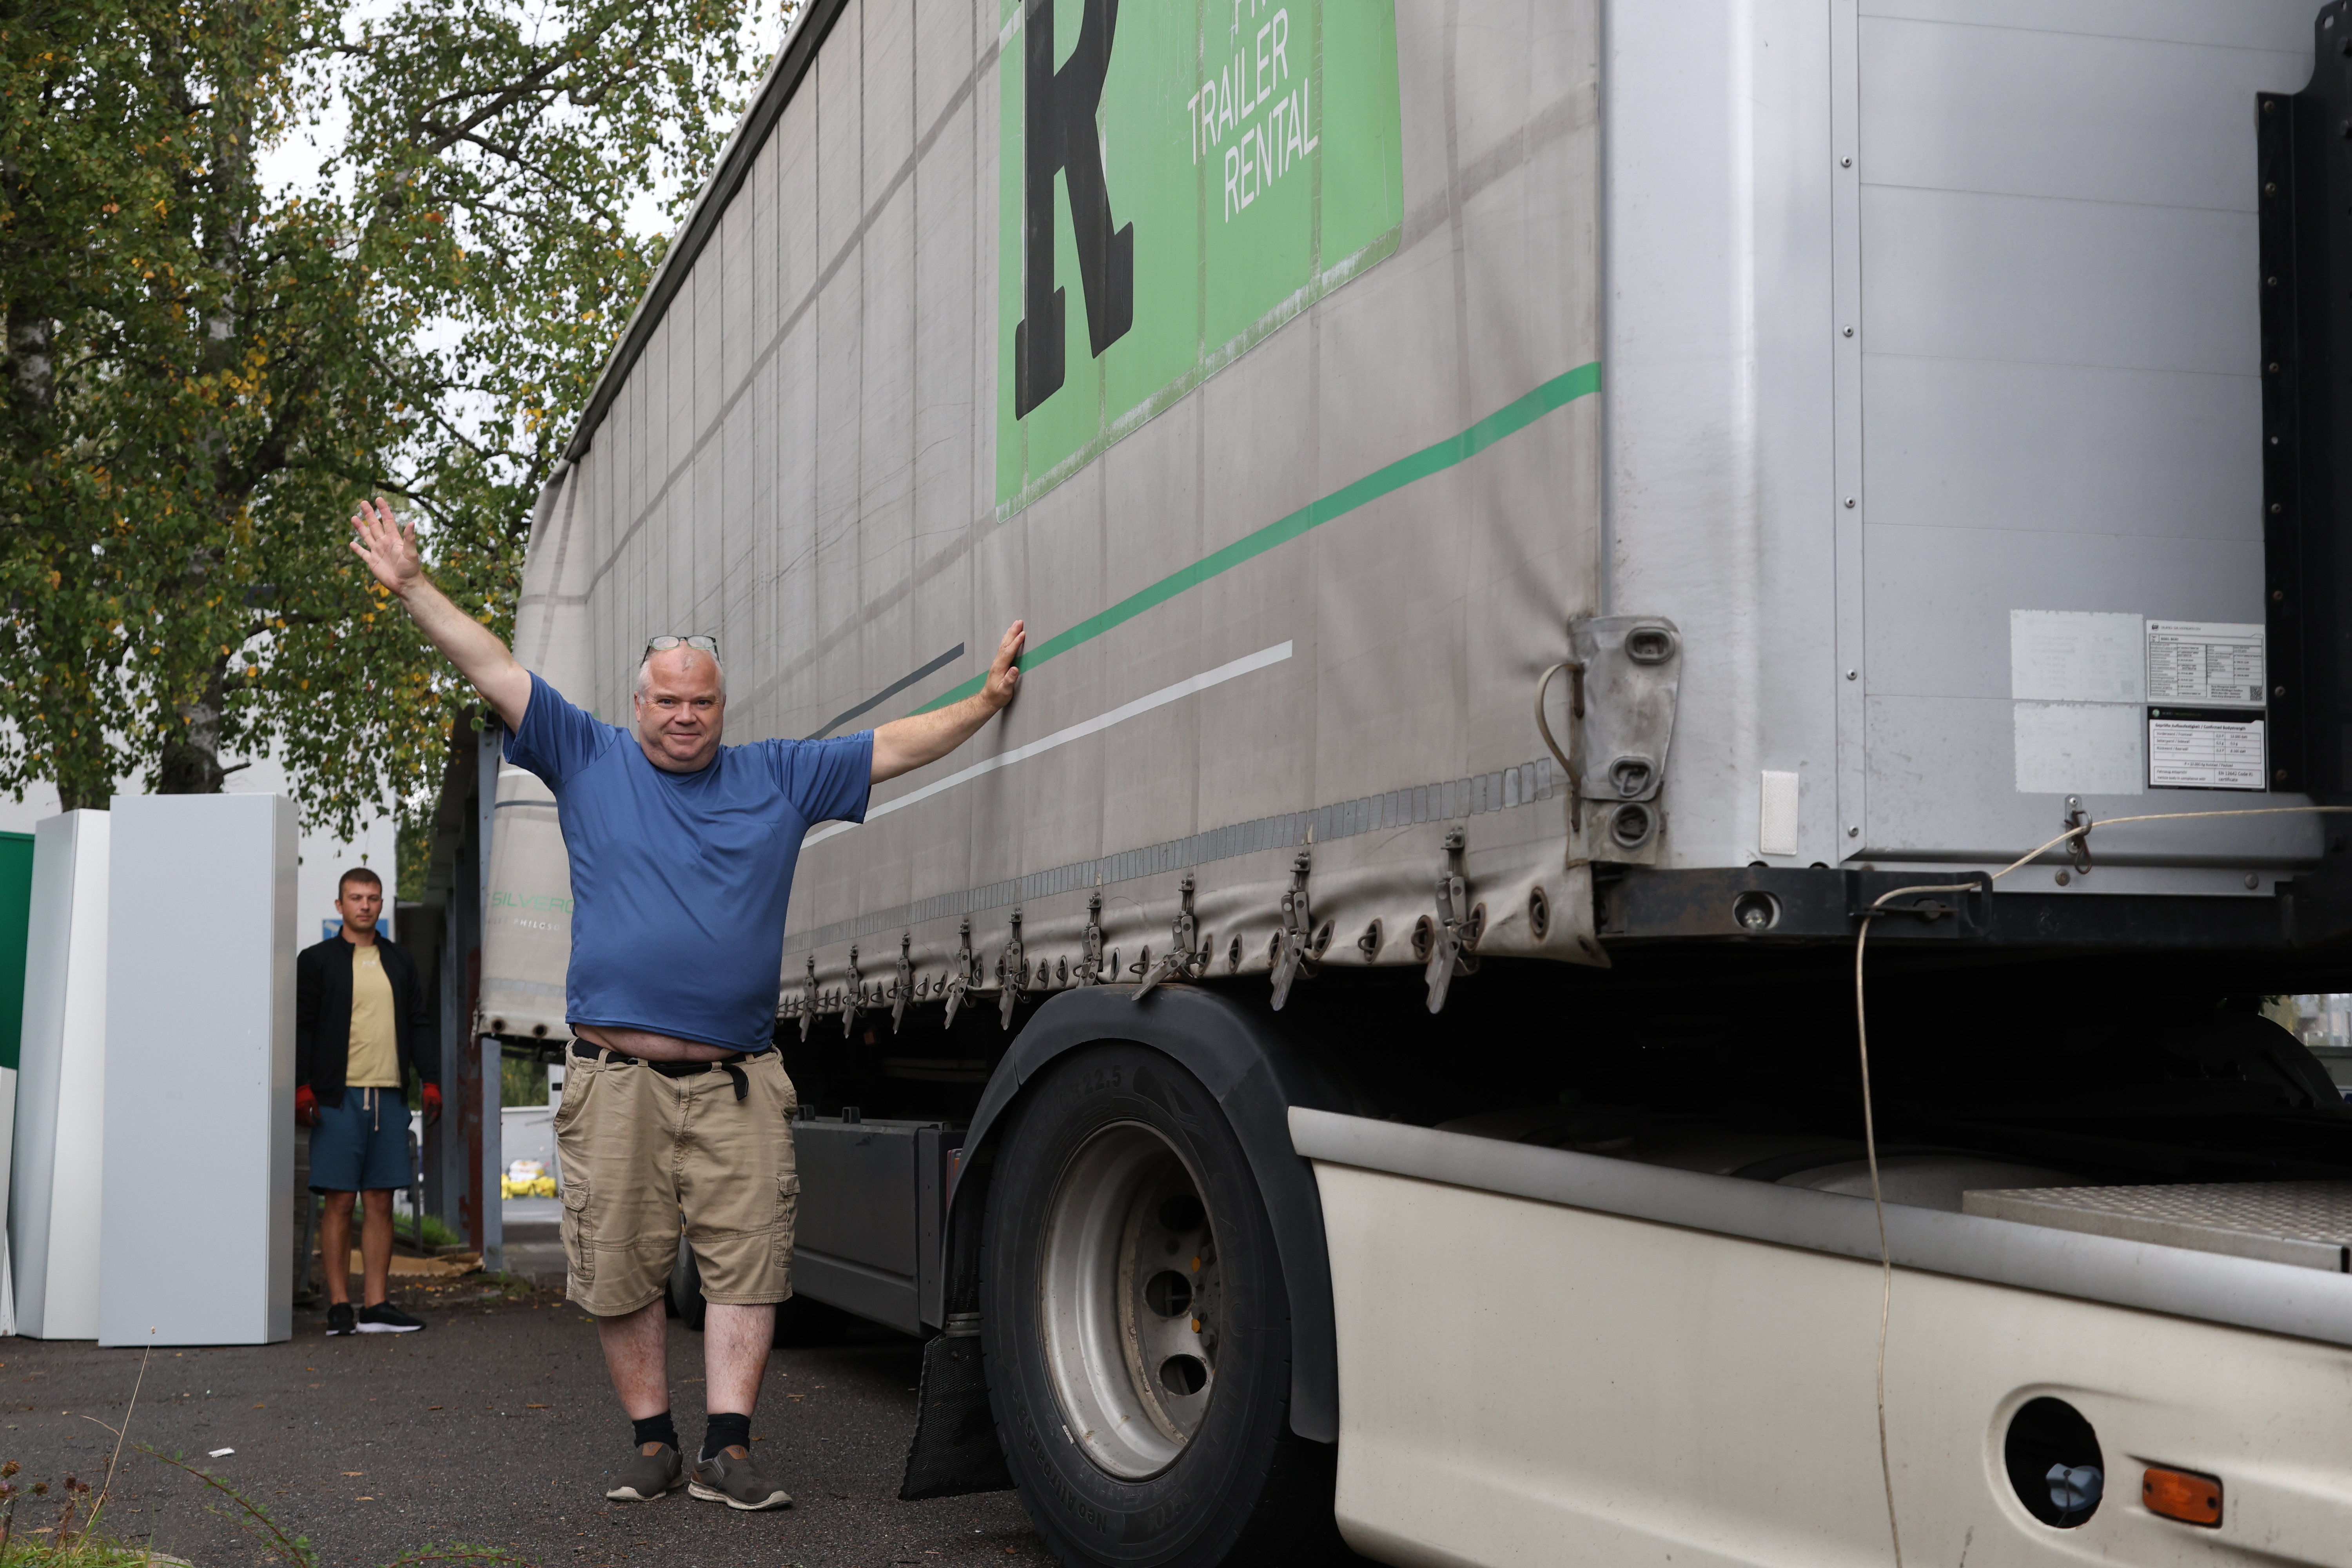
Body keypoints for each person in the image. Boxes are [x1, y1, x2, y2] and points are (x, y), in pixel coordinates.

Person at [348, 495, 1024, 1512]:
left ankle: (731, 1450)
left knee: (749, 1261)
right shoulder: (586, 756)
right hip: (613, 1080)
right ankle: (654, 1441)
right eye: (666, 700)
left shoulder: (780, 777)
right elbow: (492, 665)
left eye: (700, 701)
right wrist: (411, 586)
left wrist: (982, 702)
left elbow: (895, 745)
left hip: (737, 1083)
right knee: (618, 1267)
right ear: (637, 704)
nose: (683, 715)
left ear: (722, 706)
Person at [295, 866, 442, 1336]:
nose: (365, 905)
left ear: (381, 905)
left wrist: (432, 1080)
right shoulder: (316, 961)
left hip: (390, 1096)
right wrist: (302, 1085)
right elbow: (303, 1026)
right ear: (339, 905)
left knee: (380, 1200)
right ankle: (340, 1305)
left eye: (373, 898)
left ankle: (376, 1304)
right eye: (356, 897)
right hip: (337, 1097)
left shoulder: (399, 962)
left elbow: (419, 1023)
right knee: (339, 1201)